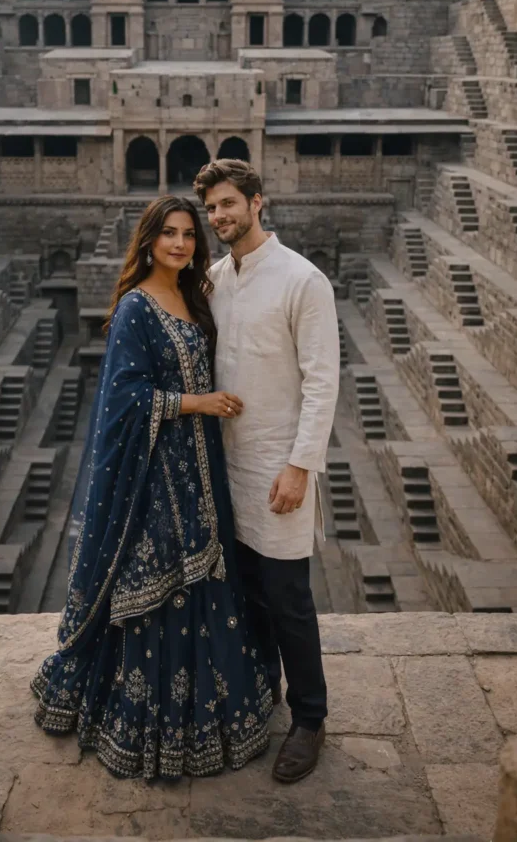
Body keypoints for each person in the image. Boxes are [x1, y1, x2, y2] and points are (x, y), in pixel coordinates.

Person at [31, 195, 272, 780]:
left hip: (201, 473)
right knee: (157, 589)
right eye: (168, 233)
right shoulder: (138, 306)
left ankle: (209, 726)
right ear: (148, 240)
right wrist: (198, 402)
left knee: (208, 583)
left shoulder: (194, 297)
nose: (180, 244)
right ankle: (145, 730)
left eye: (189, 234)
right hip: (152, 478)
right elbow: (122, 398)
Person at [193, 159, 340, 784]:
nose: (220, 216)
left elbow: (322, 381)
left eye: (229, 203)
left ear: (259, 202)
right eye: (212, 209)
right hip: (230, 464)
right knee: (248, 591)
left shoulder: (303, 280)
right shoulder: (216, 278)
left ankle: (310, 719)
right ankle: (263, 697)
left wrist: (300, 466)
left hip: (280, 467)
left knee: (289, 599)